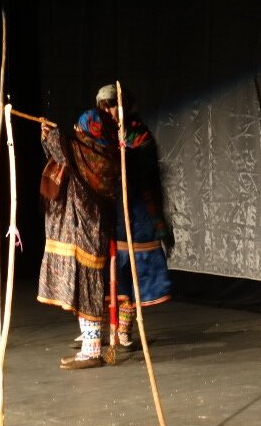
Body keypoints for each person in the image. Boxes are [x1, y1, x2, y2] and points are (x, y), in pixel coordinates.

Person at [37, 100, 120, 370]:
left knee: (88, 291)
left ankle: (92, 351)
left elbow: (66, 151)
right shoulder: (92, 151)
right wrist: (49, 138)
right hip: (83, 233)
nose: (76, 131)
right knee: (84, 291)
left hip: (87, 234)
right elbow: (63, 156)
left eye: (80, 127)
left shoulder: (97, 154)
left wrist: (53, 135)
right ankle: (89, 347)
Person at [106, 88, 173, 348]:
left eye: (114, 105)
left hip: (137, 211)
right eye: (106, 106)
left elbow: (146, 166)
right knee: (113, 271)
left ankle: (125, 327)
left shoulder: (139, 133)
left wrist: (126, 155)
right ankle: (106, 327)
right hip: (112, 210)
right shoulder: (102, 134)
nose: (110, 111)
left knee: (134, 269)